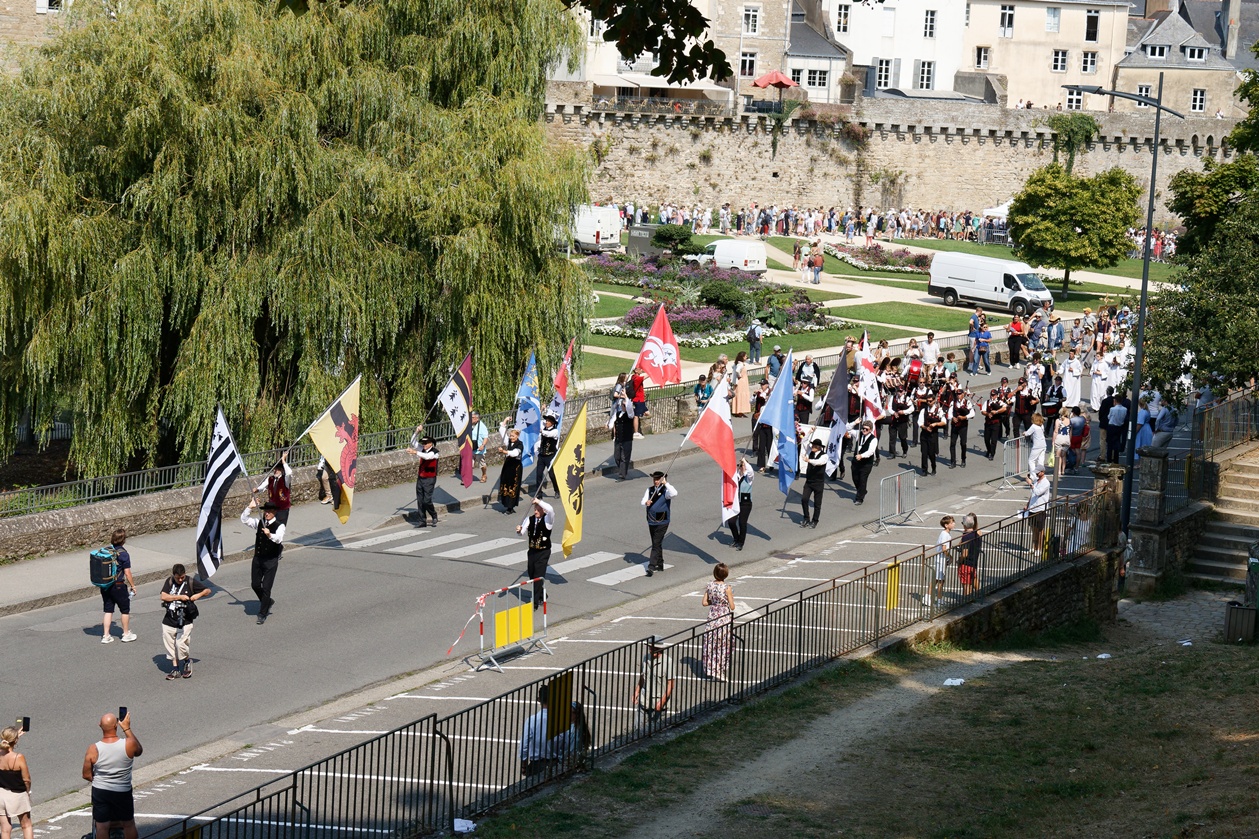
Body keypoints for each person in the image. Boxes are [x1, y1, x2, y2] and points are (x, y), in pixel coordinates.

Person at [83, 711, 142, 839]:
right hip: (123, 790)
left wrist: (100, 780)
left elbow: (86, 774)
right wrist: (126, 728)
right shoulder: (129, 744)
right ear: (116, 725)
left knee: (102, 826)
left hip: (101, 791)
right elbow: (139, 750)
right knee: (128, 823)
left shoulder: (93, 749)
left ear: (100, 726)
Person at [159, 563, 209, 680]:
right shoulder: (169, 581)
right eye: (178, 578)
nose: (180, 580)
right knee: (170, 646)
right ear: (174, 575)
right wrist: (179, 597)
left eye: (182, 577)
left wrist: (198, 595)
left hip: (185, 620)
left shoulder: (190, 581)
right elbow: (163, 596)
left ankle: (187, 661)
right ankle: (175, 669)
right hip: (169, 619)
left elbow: (207, 591)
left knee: (180, 644)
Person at [241, 499, 285, 624]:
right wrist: (249, 507)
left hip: (270, 561)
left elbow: (278, 539)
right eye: (266, 511)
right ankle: (267, 601)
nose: (267, 513)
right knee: (255, 585)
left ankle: (262, 613)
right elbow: (244, 519)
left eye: (269, 511)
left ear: (274, 512)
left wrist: (269, 535)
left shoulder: (280, 526)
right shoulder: (260, 522)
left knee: (266, 587)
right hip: (258, 558)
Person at [99, 528, 137, 644]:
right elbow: (127, 572)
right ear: (123, 540)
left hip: (106, 586)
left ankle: (106, 636)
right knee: (125, 610)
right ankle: (126, 634)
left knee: (108, 610)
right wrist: (133, 585)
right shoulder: (124, 554)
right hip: (119, 586)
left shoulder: (106, 551)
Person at [516, 499, 554, 610]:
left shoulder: (548, 520)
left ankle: (535, 602)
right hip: (532, 551)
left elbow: (551, 509)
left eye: (538, 510)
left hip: (543, 551)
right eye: (535, 509)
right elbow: (521, 533)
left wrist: (539, 501)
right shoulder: (530, 519)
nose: (536, 511)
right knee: (532, 574)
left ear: (543, 510)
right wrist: (519, 531)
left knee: (538, 576)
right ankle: (542, 593)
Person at [701, 564, 736, 680]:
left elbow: (704, 602)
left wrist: (715, 602)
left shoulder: (710, 585)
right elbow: (732, 606)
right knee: (723, 643)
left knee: (711, 643)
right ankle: (720, 669)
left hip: (713, 616)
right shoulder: (727, 588)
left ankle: (712, 669)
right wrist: (723, 602)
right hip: (724, 616)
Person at [632, 636, 675, 728]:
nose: (650, 650)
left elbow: (670, 685)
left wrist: (662, 702)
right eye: (650, 647)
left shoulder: (668, 662)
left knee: (656, 729)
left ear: (659, 649)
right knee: (637, 729)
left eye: (653, 648)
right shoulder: (645, 658)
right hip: (644, 699)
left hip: (658, 702)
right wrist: (636, 692)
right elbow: (642, 678)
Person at [641, 472, 677, 576]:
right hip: (651, 520)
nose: (656, 481)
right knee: (656, 543)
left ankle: (651, 566)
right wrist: (646, 502)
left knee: (655, 543)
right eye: (654, 479)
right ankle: (660, 564)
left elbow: (674, 493)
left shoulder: (666, 490)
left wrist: (666, 483)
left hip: (662, 521)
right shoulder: (650, 490)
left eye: (658, 479)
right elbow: (642, 501)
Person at [0, 726, 32, 839]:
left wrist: (15, 735)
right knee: (26, 825)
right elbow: (26, 779)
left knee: (5, 829)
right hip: (17, 795)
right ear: (15, 741)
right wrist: (28, 791)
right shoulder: (18, 757)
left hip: (1, 794)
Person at [519, 686, 553, 778]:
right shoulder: (560, 720)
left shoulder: (532, 720)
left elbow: (524, 746)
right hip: (555, 762)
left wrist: (524, 766)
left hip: (537, 765)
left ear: (539, 700)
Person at [406, 435, 440, 527]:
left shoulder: (435, 453)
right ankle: (422, 520)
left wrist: (415, 452)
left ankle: (434, 515)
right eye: (423, 443)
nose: (424, 445)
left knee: (427, 501)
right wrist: (417, 431)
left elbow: (427, 457)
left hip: (430, 479)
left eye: (426, 443)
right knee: (420, 500)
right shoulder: (422, 449)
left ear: (431, 443)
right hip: (420, 478)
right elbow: (413, 441)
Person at [254, 452, 292, 525]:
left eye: (278, 469)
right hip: (271, 509)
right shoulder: (270, 479)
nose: (275, 471)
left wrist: (283, 461)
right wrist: (257, 489)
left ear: (282, 470)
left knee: (279, 527)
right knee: (267, 526)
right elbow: (263, 486)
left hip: (282, 509)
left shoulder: (285, 480)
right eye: (275, 469)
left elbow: (289, 473)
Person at [1025, 467, 1052, 559]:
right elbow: (1032, 494)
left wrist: (1030, 484)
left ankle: (1039, 548)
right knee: (1033, 529)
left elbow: (1038, 492)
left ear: (1043, 472)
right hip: (1032, 508)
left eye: (1038, 472)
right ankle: (1034, 547)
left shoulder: (1046, 483)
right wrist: (1027, 504)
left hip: (1040, 509)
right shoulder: (1036, 481)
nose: (1036, 474)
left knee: (1040, 530)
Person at [928, 516, 955, 608]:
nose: (953, 524)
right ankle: (938, 600)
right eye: (951, 523)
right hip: (941, 559)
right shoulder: (944, 534)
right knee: (940, 580)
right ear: (946, 525)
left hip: (942, 559)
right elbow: (944, 548)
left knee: (938, 579)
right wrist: (950, 557)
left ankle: (931, 597)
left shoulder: (947, 534)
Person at [849, 420, 878, 505]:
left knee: (862, 480)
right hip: (856, 463)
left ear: (870, 430)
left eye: (866, 429)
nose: (864, 430)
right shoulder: (859, 434)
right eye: (863, 428)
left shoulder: (873, 439)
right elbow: (847, 429)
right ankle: (862, 491)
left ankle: (859, 498)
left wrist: (861, 456)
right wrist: (854, 423)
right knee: (855, 479)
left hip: (866, 464)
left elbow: (871, 451)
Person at [800, 438, 827, 526]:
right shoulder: (810, 453)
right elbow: (804, 442)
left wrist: (809, 460)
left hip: (818, 482)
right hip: (809, 482)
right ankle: (806, 518)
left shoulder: (824, 456)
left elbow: (819, 462)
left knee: (817, 503)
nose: (812, 447)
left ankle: (815, 520)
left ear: (818, 447)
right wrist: (809, 432)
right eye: (812, 445)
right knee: (804, 499)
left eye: (814, 446)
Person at [918, 393, 947, 476]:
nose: (929, 403)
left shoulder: (939, 410)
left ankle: (933, 467)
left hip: (933, 435)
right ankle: (924, 470)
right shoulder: (923, 410)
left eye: (930, 401)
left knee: (931, 453)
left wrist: (935, 424)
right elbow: (920, 422)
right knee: (924, 453)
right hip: (924, 434)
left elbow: (944, 422)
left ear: (934, 401)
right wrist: (925, 428)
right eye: (927, 401)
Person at [497, 428, 524, 514]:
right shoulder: (508, 442)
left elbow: (514, 453)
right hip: (507, 466)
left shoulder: (520, 445)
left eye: (513, 436)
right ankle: (506, 504)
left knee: (513, 486)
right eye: (510, 436)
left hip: (515, 468)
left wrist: (504, 451)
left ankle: (510, 507)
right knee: (505, 484)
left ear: (517, 436)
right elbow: (502, 431)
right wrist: (505, 421)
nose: (511, 437)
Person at [729, 459, 754, 550]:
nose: (740, 467)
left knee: (742, 523)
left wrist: (745, 462)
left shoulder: (749, 477)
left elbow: (751, 471)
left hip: (745, 504)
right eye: (739, 466)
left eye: (742, 466)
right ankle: (736, 538)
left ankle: (741, 542)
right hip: (736, 503)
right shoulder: (736, 476)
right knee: (731, 522)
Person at [533, 414, 560, 495]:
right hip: (542, 456)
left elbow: (548, 434)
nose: (546, 422)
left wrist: (542, 431)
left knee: (551, 475)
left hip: (550, 456)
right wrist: (537, 452)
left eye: (548, 421)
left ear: (552, 423)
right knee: (539, 474)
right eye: (546, 421)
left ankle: (556, 490)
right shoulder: (544, 429)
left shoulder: (555, 431)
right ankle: (539, 493)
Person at [957, 514, 982, 597]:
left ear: (965, 525)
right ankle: (977, 595)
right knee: (973, 579)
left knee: (966, 585)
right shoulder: (977, 535)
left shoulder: (966, 536)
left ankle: (967, 600)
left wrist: (959, 561)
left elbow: (965, 553)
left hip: (966, 563)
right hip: (974, 562)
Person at [949, 390, 974, 468]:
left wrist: (965, 417)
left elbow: (972, 413)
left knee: (963, 443)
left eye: (960, 394)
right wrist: (952, 418)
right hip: (954, 425)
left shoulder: (967, 402)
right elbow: (949, 413)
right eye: (957, 394)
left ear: (963, 394)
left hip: (963, 426)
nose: (958, 395)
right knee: (952, 443)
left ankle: (963, 460)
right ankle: (953, 461)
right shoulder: (953, 402)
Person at [613, 404, 635, 481]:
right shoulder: (618, 414)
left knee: (624, 457)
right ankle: (623, 469)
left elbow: (631, 415)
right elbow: (614, 425)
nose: (622, 407)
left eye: (624, 406)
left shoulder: (630, 415)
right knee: (617, 457)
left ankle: (622, 474)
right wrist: (614, 435)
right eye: (622, 405)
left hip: (627, 439)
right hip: (618, 439)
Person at [468, 411, 490, 484]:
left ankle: (484, 475)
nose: (471, 419)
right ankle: (467, 478)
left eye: (472, 417)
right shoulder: (469, 425)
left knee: (482, 464)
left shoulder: (482, 426)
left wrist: (483, 445)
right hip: (470, 448)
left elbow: (485, 437)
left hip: (479, 449)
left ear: (477, 418)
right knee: (469, 464)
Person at [630, 366, 649, 439]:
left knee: (647, 412)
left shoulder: (633, 377)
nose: (642, 370)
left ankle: (638, 430)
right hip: (638, 400)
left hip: (640, 399)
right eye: (640, 369)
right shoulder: (637, 378)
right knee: (636, 416)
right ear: (636, 371)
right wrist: (653, 371)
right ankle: (635, 432)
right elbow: (646, 376)